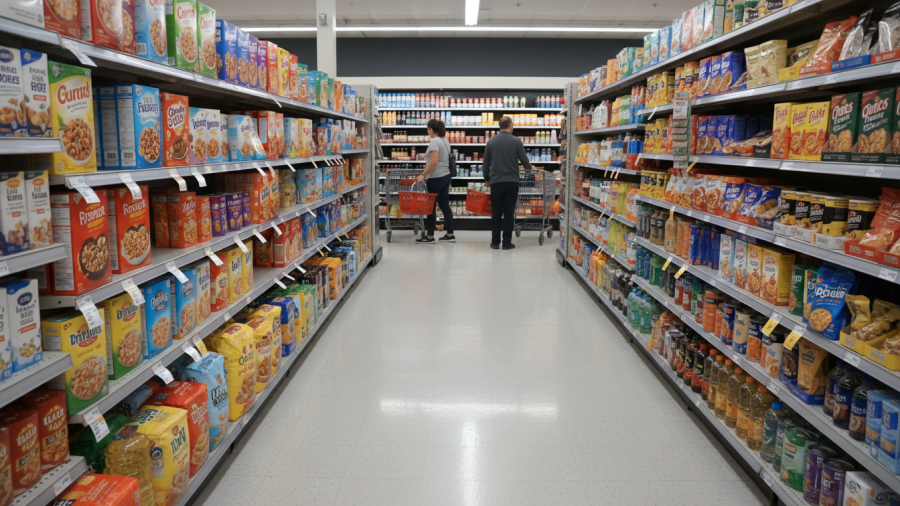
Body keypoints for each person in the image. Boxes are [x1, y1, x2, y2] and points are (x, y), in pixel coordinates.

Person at [483, 115, 532, 250]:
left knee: (496, 212)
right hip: (512, 182)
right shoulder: (516, 141)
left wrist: (487, 179)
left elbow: (485, 163)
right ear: (511, 127)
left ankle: (495, 242)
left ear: (500, 127)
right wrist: (529, 171)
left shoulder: (491, 141)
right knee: (509, 213)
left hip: (496, 182)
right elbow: (524, 161)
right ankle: (507, 243)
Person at [415, 118, 455, 243]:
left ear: (431, 129)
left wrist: (424, 175)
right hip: (446, 176)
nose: (428, 131)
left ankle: (430, 236)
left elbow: (434, 160)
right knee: (445, 206)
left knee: (430, 207)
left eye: (428, 129)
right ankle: (450, 234)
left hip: (436, 177)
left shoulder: (434, 142)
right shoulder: (445, 140)